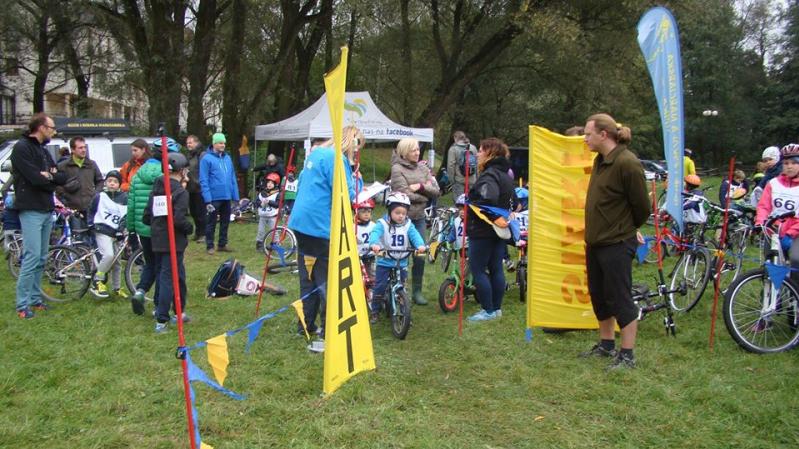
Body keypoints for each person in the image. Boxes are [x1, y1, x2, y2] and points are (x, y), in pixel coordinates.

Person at [581, 113, 650, 370]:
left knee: (619, 297)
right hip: (596, 242)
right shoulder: (600, 160)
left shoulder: (627, 163)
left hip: (617, 242)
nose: (585, 138)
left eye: (588, 134)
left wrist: (626, 229)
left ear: (603, 134)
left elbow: (642, 207)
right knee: (599, 296)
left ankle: (627, 354)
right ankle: (606, 344)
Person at [287, 125, 362, 349]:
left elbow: (303, 181)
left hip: (301, 222)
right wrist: (358, 182)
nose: (358, 151)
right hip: (320, 226)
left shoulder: (317, 153)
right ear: (352, 143)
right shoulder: (338, 159)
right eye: (358, 146)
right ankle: (329, 329)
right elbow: (348, 194)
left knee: (307, 275)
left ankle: (305, 324)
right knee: (326, 279)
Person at [11, 113, 68, 318]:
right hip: (31, 209)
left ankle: (35, 299)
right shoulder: (22, 148)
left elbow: (61, 177)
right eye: (52, 128)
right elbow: (35, 179)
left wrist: (49, 175)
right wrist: (48, 178)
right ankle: (22, 304)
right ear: (41, 127)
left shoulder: (43, 151)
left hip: (46, 208)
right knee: (32, 256)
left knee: (42, 257)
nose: (54, 132)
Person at [127, 138, 180, 315]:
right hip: (161, 228)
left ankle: (140, 291)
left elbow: (131, 204)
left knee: (150, 263)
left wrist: (131, 229)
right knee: (163, 268)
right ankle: (159, 306)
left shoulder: (138, 174)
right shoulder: (167, 176)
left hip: (143, 227)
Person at [465, 137, 515, 322]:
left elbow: (487, 199)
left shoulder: (490, 175)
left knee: (478, 269)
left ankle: (488, 310)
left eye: (480, 150)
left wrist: (471, 204)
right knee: (496, 268)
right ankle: (496, 309)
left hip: (483, 230)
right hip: (499, 231)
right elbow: (515, 202)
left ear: (489, 153)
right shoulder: (506, 175)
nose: (477, 154)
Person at [143, 152, 193, 333]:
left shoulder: (156, 190)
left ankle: (179, 312)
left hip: (157, 240)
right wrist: (189, 228)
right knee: (167, 278)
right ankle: (161, 319)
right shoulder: (180, 192)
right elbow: (178, 219)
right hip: (172, 241)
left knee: (177, 276)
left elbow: (146, 217)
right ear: (181, 171)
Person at [390, 137, 441, 305]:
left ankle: (417, 292)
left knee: (420, 254)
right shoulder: (397, 169)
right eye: (414, 150)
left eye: (418, 149)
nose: (417, 152)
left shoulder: (423, 168)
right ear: (405, 152)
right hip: (401, 220)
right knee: (398, 254)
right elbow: (404, 194)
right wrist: (425, 196)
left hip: (419, 218)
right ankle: (397, 289)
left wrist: (420, 187)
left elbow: (436, 191)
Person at [368, 192, 426, 323]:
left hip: (402, 261)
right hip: (385, 261)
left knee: (402, 287)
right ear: (390, 211)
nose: (401, 216)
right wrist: (374, 244)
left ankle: (405, 312)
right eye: (397, 213)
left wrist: (420, 245)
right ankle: (375, 311)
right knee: (380, 286)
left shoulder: (408, 224)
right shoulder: (382, 223)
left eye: (403, 213)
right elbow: (375, 233)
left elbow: (415, 235)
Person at [756, 143, 799, 288]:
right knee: (771, 268)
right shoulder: (773, 183)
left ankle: (794, 295)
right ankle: (772, 295)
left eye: (794, 163)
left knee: (796, 263)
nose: (789, 166)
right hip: (773, 232)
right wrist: (760, 223)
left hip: (795, 234)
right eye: (786, 163)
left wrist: (791, 233)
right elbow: (764, 206)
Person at [87, 170, 128, 298]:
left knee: (117, 262)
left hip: (116, 233)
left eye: (115, 181)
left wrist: (121, 229)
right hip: (102, 230)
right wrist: (90, 224)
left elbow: (125, 216)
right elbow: (91, 210)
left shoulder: (124, 198)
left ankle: (117, 287)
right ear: (105, 182)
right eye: (109, 181)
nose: (112, 183)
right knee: (109, 255)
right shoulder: (100, 196)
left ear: (119, 184)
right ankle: (98, 280)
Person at [200, 132, 239, 254]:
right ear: (214, 144)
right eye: (220, 143)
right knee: (211, 222)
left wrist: (235, 196)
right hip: (214, 197)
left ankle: (222, 244)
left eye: (224, 143)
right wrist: (207, 199)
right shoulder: (206, 159)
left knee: (225, 222)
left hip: (226, 196)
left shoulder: (227, 158)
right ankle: (210, 245)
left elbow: (232, 177)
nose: (223, 145)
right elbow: (204, 180)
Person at [56, 136, 104, 227]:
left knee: (93, 235)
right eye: (80, 148)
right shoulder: (63, 166)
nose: (84, 150)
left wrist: (95, 194)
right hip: (73, 211)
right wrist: (65, 199)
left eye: (85, 147)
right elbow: (57, 186)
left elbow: (100, 181)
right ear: (72, 150)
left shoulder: (92, 164)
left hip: (91, 209)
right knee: (77, 235)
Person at [185, 135, 207, 242]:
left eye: (191, 142)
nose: (188, 144)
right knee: (193, 212)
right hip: (191, 187)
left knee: (201, 212)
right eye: (187, 143)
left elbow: (204, 170)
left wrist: (200, 183)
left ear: (197, 143)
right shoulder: (189, 156)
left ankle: (203, 234)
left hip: (199, 188)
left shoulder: (201, 155)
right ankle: (198, 232)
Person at [446, 131, 477, 199]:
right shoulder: (473, 148)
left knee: (459, 201)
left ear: (455, 138)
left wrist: (452, 180)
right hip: (472, 180)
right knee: (470, 201)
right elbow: (476, 163)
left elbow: (451, 166)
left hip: (459, 180)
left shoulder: (453, 149)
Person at [255, 172, 280, 251]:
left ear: (275, 184)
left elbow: (277, 204)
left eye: (272, 183)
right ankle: (259, 244)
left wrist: (269, 202)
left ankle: (275, 244)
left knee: (274, 231)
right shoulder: (262, 193)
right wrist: (260, 203)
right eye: (268, 182)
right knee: (261, 231)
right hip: (262, 216)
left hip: (272, 216)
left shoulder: (277, 194)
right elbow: (256, 202)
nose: (269, 184)